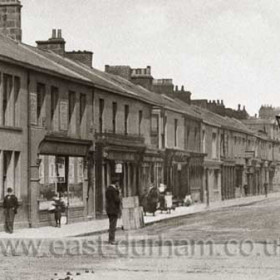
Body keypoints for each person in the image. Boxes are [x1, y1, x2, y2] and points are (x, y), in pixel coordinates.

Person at [106, 179, 121, 245]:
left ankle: (110, 239)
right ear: (116, 183)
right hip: (114, 209)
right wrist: (119, 192)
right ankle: (111, 240)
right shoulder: (114, 190)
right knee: (113, 225)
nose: (118, 184)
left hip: (109, 209)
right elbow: (117, 200)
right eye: (118, 183)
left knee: (111, 224)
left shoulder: (108, 189)